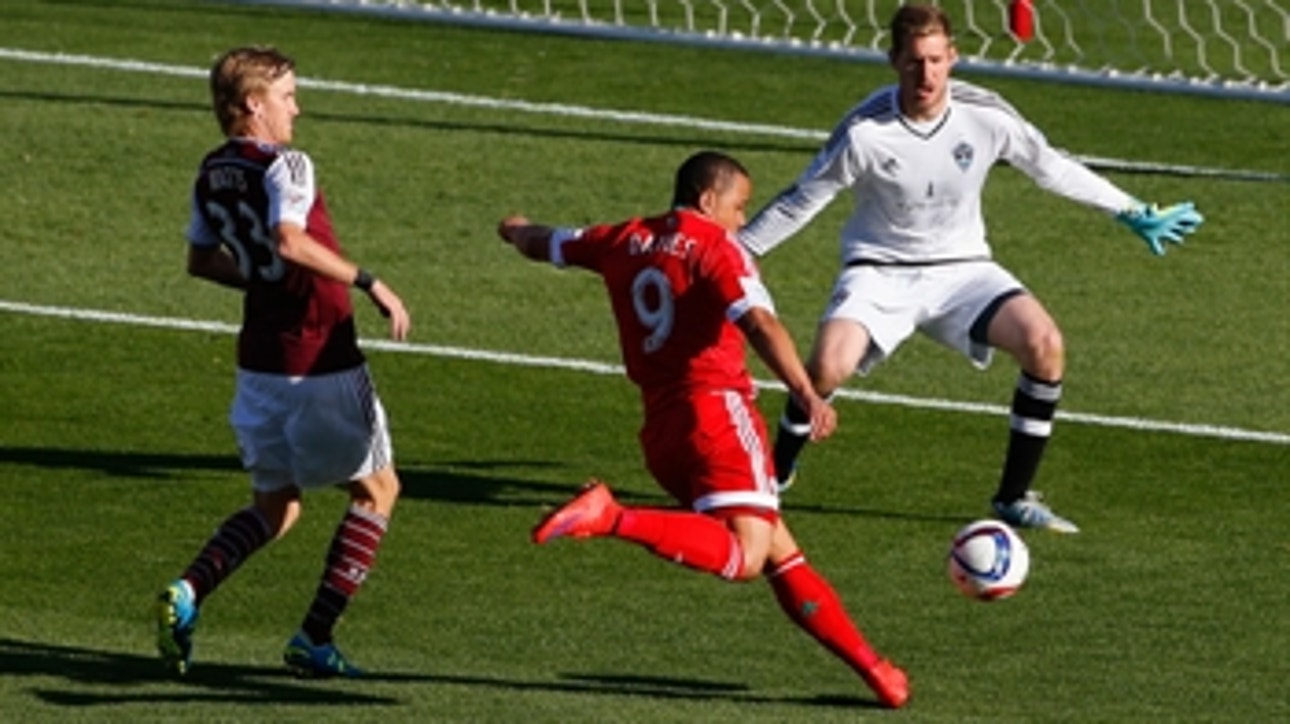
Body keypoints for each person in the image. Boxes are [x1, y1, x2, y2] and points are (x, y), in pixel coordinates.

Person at [738, 3, 1203, 533]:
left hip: (964, 270)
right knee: (824, 369)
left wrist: (1130, 209)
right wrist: (735, 251)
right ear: (893, 60)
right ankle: (775, 474)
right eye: (914, 62)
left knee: (1045, 345)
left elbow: (1050, 167)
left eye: (936, 60)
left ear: (953, 58)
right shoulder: (866, 131)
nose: (927, 74)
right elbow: (802, 200)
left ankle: (1013, 497)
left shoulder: (987, 116)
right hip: (880, 269)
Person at [496, 151, 909, 708]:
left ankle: (875, 669)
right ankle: (612, 516)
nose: (743, 220)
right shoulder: (718, 249)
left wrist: (516, 229)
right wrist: (806, 392)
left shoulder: (622, 238)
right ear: (708, 199)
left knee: (780, 553)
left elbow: (547, 243)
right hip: (716, 416)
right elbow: (759, 323)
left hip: (662, 434)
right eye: (739, 207)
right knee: (746, 555)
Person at [156, 46, 411, 679]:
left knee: (276, 506)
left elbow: (200, 261)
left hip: (259, 367)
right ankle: (314, 638)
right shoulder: (287, 163)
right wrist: (369, 281)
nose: (296, 106)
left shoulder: (210, 172)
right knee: (379, 489)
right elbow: (290, 241)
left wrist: (263, 286)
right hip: (320, 358)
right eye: (286, 95)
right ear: (252, 105)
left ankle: (187, 591)